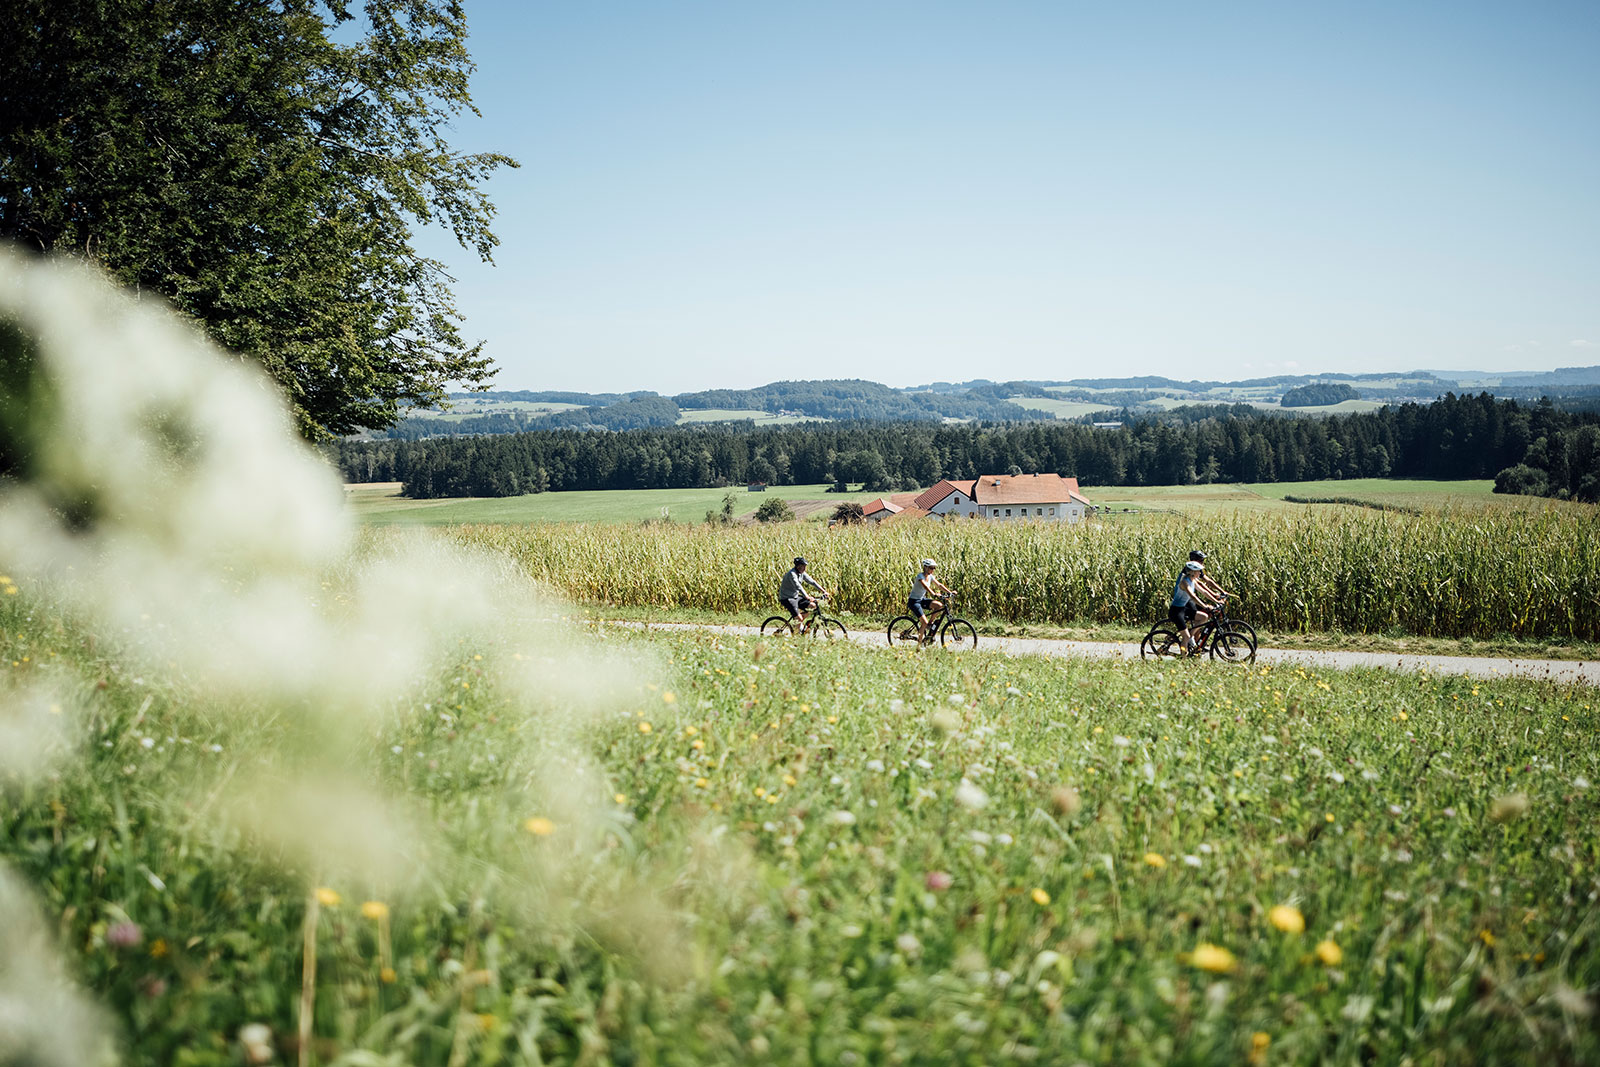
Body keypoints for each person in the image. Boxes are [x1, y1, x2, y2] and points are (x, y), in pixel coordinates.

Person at [1169, 559, 1219, 654]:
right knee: (1185, 636)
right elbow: (1193, 596)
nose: (1200, 573)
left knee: (1204, 617)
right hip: (1176, 611)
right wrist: (1205, 606)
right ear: (1192, 572)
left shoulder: (1193, 580)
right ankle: (1183, 659)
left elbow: (1204, 592)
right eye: (1198, 571)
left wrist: (1216, 601)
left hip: (1183, 609)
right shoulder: (1184, 582)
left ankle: (1190, 637)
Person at [778, 557, 830, 633]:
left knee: (813, 606)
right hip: (787, 598)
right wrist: (807, 597)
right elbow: (798, 586)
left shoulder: (802, 573)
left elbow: (812, 582)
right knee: (799, 618)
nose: (805, 568)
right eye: (803, 566)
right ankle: (796, 633)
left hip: (795, 596)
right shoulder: (792, 574)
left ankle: (797, 623)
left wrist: (823, 591)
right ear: (798, 566)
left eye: (805, 566)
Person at [909, 558, 955, 641]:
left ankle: (930, 623)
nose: (933, 570)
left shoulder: (930, 577)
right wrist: (933, 594)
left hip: (921, 600)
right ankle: (919, 645)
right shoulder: (920, 576)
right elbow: (925, 586)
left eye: (934, 568)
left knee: (939, 605)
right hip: (914, 601)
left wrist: (950, 592)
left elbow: (939, 585)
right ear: (925, 567)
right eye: (931, 568)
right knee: (924, 622)